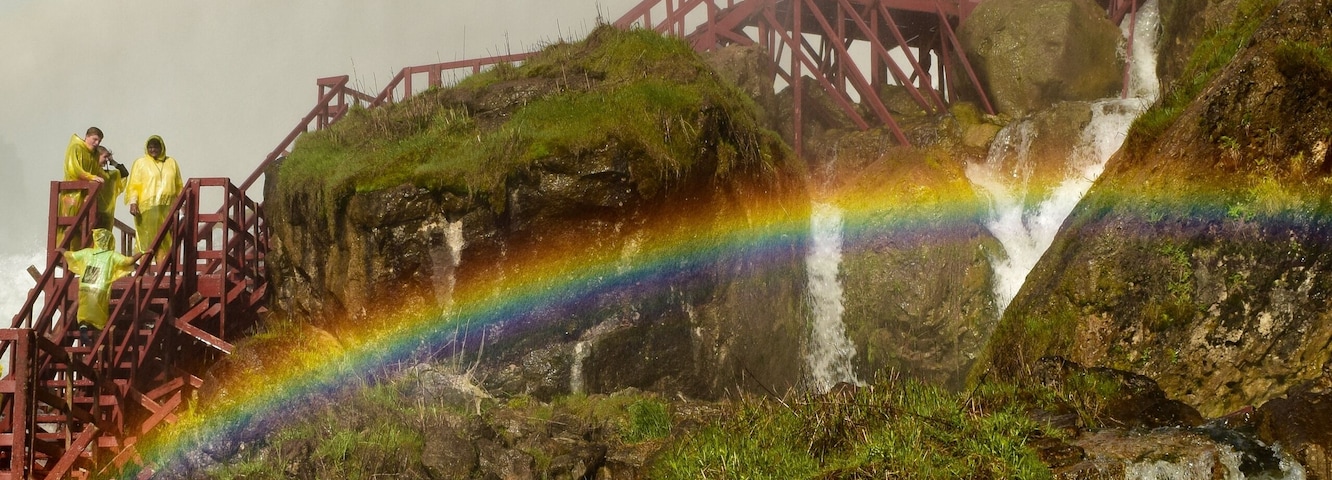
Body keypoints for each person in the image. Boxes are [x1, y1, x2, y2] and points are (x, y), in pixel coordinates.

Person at [59, 229, 145, 347]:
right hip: (100, 289)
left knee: (83, 313)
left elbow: (71, 255)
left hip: (85, 286)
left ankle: (83, 330)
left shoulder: (87, 253)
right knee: (99, 314)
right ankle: (98, 338)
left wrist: (61, 250)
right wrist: (143, 252)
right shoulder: (111, 255)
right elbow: (128, 261)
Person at [125, 135, 183, 264]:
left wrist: (181, 203)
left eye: (156, 146)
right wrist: (133, 202)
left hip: (167, 207)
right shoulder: (140, 163)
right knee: (147, 239)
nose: (153, 149)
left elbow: (178, 185)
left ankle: (161, 272)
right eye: (150, 147)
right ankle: (144, 271)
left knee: (165, 239)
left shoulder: (171, 162)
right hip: (147, 208)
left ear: (161, 147)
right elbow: (134, 184)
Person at [58, 127, 106, 250]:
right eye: (94, 139)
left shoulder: (95, 154)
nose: (96, 143)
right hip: (72, 193)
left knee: (84, 226)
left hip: (86, 195)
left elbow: (96, 170)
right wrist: (91, 177)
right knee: (69, 224)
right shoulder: (76, 148)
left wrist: (97, 178)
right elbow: (74, 169)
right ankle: (63, 252)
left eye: (99, 141)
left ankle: (80, 253)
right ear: (87, 137)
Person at [93, 145, 129, 232]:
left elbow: (124, 173)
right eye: (104, 157)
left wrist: (112, 161)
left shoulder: (107, 175)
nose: (106, 160)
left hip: (104, 214)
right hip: (92, 212)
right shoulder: (90, 172)